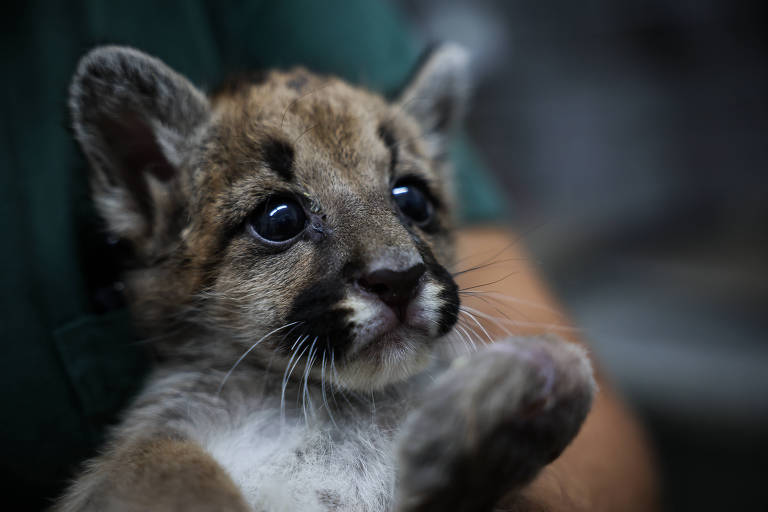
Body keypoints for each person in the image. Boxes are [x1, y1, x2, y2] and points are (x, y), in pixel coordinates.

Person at [0, 1, 657, 509]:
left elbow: (611, 461)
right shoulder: (181, 445)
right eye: (279, 220)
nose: (395, 260)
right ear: (150, 183)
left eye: (411, 200)